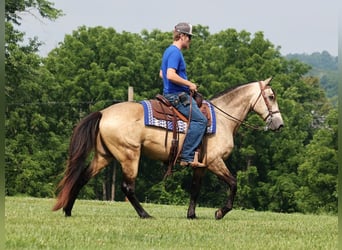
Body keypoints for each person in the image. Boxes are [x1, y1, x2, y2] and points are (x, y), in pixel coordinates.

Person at [159, 22, 207, 167]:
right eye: (189, 37)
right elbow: (170, 75)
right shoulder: (175, 52)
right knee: (200, 121)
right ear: (182, 36)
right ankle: (187, 156)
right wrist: (189, 84)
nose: (190, 41)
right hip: (176, 96)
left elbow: (162, 74)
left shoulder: (168, 51)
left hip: (170, 93)